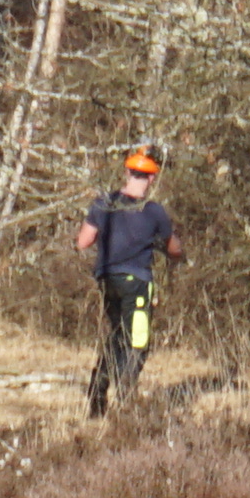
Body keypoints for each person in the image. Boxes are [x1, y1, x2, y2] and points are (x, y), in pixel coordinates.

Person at [79, 147, 184, 415]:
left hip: (107, 280)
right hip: (136, 283)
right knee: (137, 342)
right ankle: (126, 402)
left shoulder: (103, 203)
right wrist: (176, 251)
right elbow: (174, 248)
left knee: (116, 336)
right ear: (151, 178)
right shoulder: (153, 211)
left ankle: (97, 395)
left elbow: (83, 241)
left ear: (126, 172)